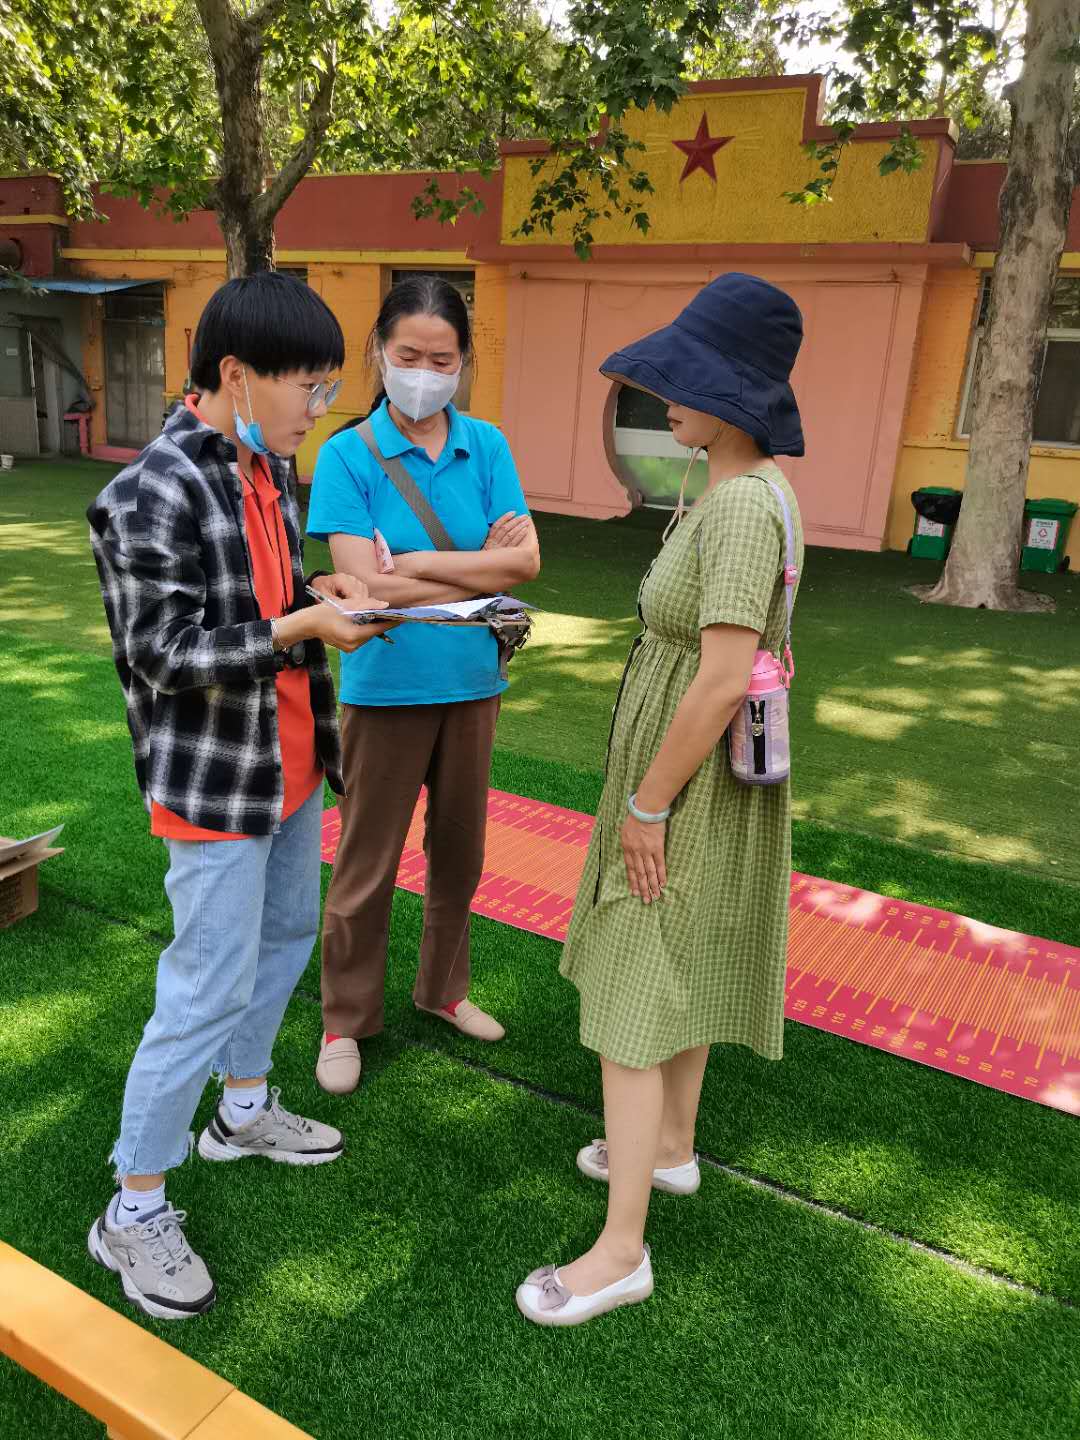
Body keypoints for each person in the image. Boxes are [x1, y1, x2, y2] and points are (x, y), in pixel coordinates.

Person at [86, 271, 393, 1320]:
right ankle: (132, 1208)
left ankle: (243, 1109)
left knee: (287, 935)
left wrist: (316, 593)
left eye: (325, 385)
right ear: (236, 374)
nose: (319, 406)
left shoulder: (269, 468)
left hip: (289, 763)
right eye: (309, 384)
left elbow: (257, 600)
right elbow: (165, 653)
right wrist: (303, 626)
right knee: (203, 989)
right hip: (213, 784)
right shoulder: (150, 491)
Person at [516, 273, 806, 1326]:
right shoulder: (748, 491)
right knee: (674, 963)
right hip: (696, 773)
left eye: (686, 381)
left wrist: (648, 807)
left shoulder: (742, 506)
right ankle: (672, 1147)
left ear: (735, 396)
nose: (664, 396)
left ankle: (621, 1252)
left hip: (686, 779)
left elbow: (722, 679)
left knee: (635, 996)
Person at [307, 274, 540, 1096]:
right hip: (385, 686)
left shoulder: (488, 445)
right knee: (366, 861)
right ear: (380, 351)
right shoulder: (347, 455)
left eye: (442, 359)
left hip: (473, 682)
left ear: (463, 361)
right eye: (409, 354)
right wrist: (475, 569)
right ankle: (345, 1018)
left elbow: (526, 563)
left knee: (461, 851)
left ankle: (443, 990)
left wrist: (414, 563)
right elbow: (361, 588)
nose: (424, 372)